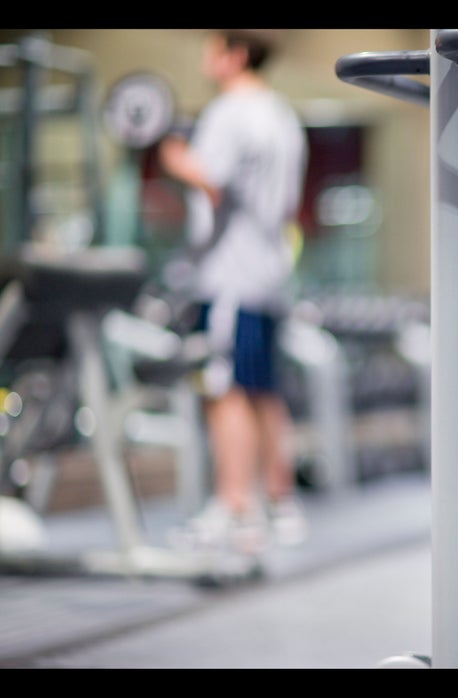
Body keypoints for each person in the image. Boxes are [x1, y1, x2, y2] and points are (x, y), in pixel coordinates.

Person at [159, 29, 308, 554]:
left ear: (235, 54)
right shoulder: (282, 115)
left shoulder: (229, 112)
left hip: (228, 277)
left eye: (211, 46)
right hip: (268, 273)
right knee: (264, 390)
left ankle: (235, 507)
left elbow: (210, 178)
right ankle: (281, 504)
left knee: (225, 391)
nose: (204, 57)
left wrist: (171, 154)